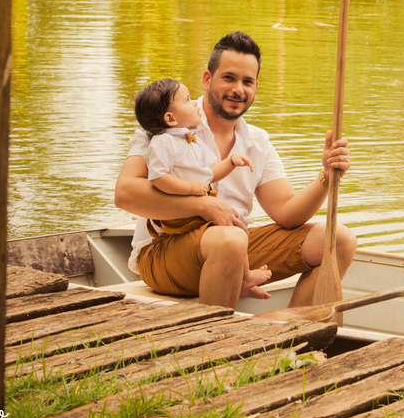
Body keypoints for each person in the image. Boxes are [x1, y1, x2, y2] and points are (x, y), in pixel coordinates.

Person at [115, 31, 357, 309]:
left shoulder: (257, 141)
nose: (238, 89)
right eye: (229, 78)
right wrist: (204, 206)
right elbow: (125, 194)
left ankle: (293, 338)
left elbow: (288, 214)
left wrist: (326, 175)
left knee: (340, 240)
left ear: (255, 87)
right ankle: (217, 345)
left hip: (235, 248)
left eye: (247, 81)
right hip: (165, 252)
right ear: (207, 80)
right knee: (229, 239)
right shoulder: (167, 122)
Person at [131, 76, 272, 299]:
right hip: (178, 216)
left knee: (236, 226)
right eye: (187, 101)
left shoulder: (190, 140)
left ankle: (243, 276)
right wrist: (189, 190)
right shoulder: (163, 142)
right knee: (230, 231)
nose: (195, 103)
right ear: (170, 117)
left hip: (196, 207)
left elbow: (209, 173)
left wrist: (231, 162)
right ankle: (243, 278)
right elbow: (158, 177)